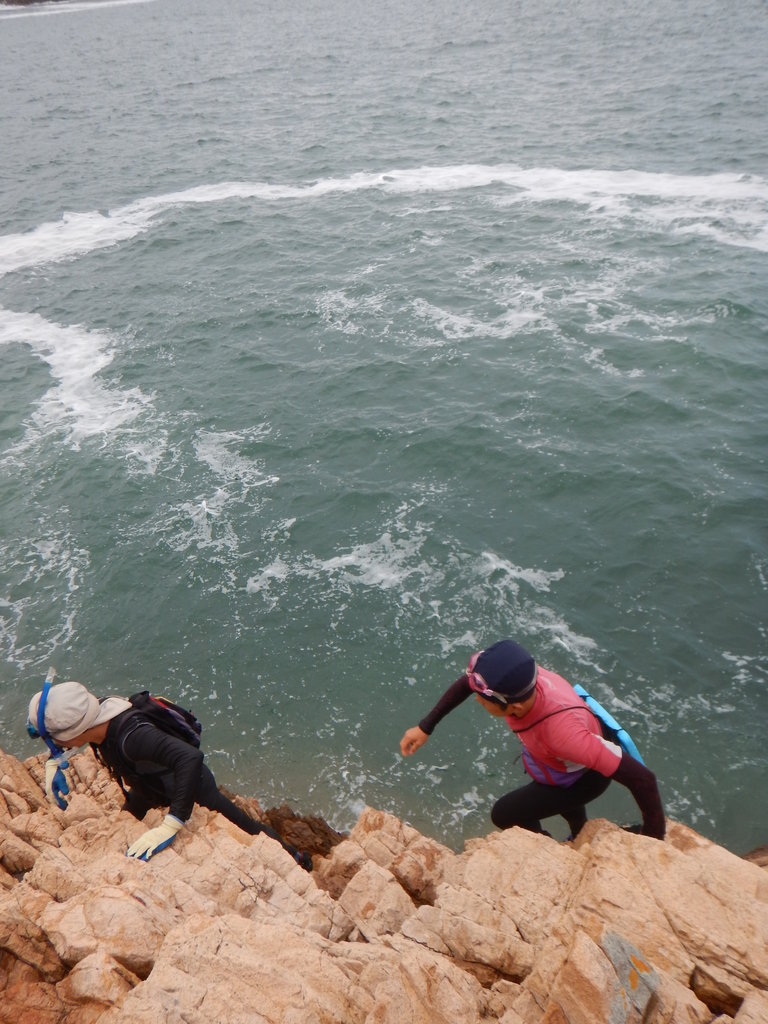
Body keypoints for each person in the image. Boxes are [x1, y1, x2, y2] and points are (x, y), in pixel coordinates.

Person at [27, 677, 313, 869]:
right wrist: (55, 761)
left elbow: (190, 757)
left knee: (246, 827)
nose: (53, 744)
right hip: (148, 786)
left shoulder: (133, 738)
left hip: (192, 788)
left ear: (73, 732)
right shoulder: (96, 712)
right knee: (125, 826)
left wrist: (172, 822)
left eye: (52, 740)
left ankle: (297, 858)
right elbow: (68, 724)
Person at [399, 639, 665, 841]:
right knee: (563, 804)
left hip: (583, 777)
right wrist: (425, 727)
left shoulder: (562, 734)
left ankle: (545, 845)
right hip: (559, 759)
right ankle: (579, 833)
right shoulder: (524, 685)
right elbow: (465, 685)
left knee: (504, 814)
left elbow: (643, 779)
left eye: (483, 700)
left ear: (513, 707)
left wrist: (653, 836)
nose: (477, 699)